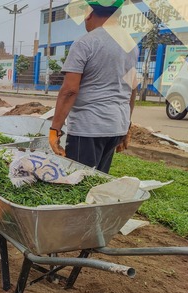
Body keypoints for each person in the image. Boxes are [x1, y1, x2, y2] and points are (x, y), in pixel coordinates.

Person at [49, 0, 137, 173]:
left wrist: (55, 130)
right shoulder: (131, 45)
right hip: (115, 127)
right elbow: (132, 89)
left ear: (89, 12)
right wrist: (126, 125)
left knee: (77, 185)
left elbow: (69, 91)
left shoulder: (85, 43)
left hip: (88, 129)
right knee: (97, 182)